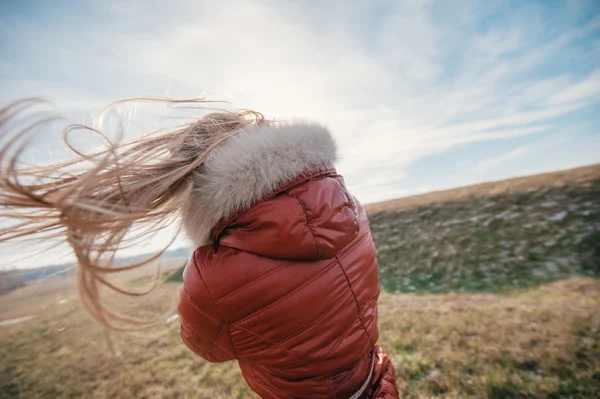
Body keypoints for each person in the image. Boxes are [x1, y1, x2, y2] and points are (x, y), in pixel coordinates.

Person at [0, 98, 399, 398]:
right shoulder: (350, 209)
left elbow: (207, 347)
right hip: (373, 376)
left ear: (197, 183)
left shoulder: (215, 275)